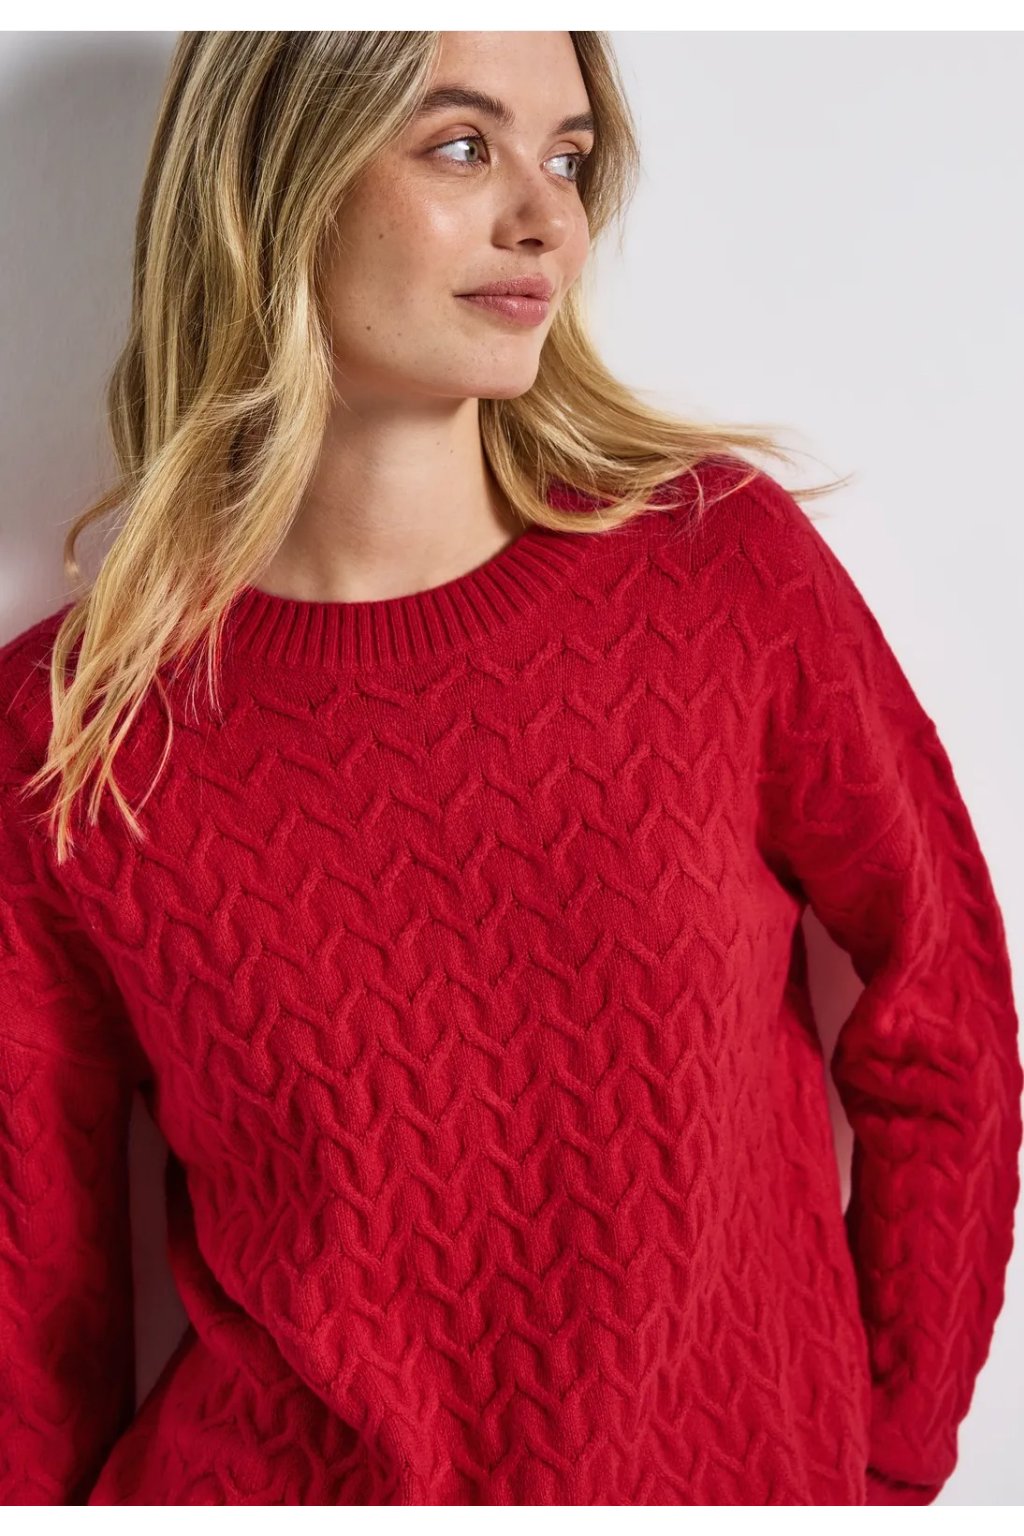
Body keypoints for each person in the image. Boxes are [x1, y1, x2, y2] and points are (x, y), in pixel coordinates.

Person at [0, 30, 1020, 1508]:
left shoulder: (717, 574)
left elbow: (945, 1001)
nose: (548, 217)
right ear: (274, 179)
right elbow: (33, 1273)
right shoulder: (70, 727)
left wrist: (892, 1453)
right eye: (463, 146)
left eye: (570, 156)